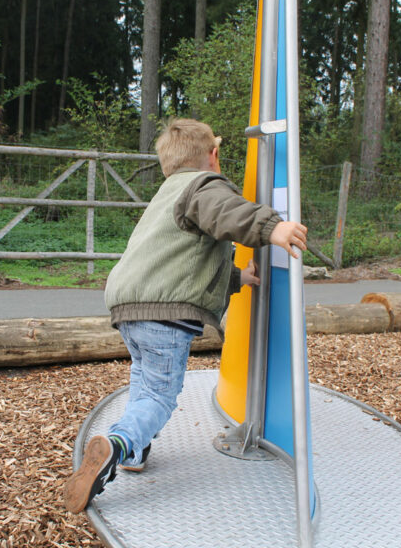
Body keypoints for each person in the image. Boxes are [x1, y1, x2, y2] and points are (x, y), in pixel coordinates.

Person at [63, 118, 307, 514]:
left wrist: (237, 276)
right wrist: (272, 228)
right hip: (164, 313)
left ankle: (135, 452)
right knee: (160, 395)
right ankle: (118, 444)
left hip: (128, 306)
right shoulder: (205, 187)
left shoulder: (167, 194)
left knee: (143, 383)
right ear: (212, 155)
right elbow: (226, 212)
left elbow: (185, 260)